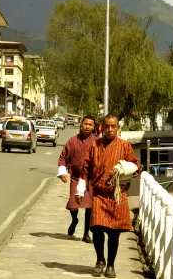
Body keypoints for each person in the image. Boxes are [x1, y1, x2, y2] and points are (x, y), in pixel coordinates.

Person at [76, 114, 140, 278]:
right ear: (102, 128)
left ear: (118, 127)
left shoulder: (125, 146)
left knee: (114, 233)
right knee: (96, 228)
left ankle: (111, 264)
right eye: (107, 126)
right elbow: (85, 169)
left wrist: (121, 168)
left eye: (113, 126)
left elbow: (135, 166)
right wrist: (80, 190)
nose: (110, 129)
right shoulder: (94, 146)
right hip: (98, 194)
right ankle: (100, 260)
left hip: (117, 195)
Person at [57, 114, 97, 243]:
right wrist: (63, 172)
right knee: (74, 205)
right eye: (85, 124)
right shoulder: (72, 141)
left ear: (93, 127)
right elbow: (63, 157)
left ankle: (86, 233)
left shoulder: (96, 142)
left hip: (91, 179)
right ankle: (74, 219)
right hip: (76, 178)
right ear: (81, 124)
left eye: (90, 125)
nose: (87, 127)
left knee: (89, 207)